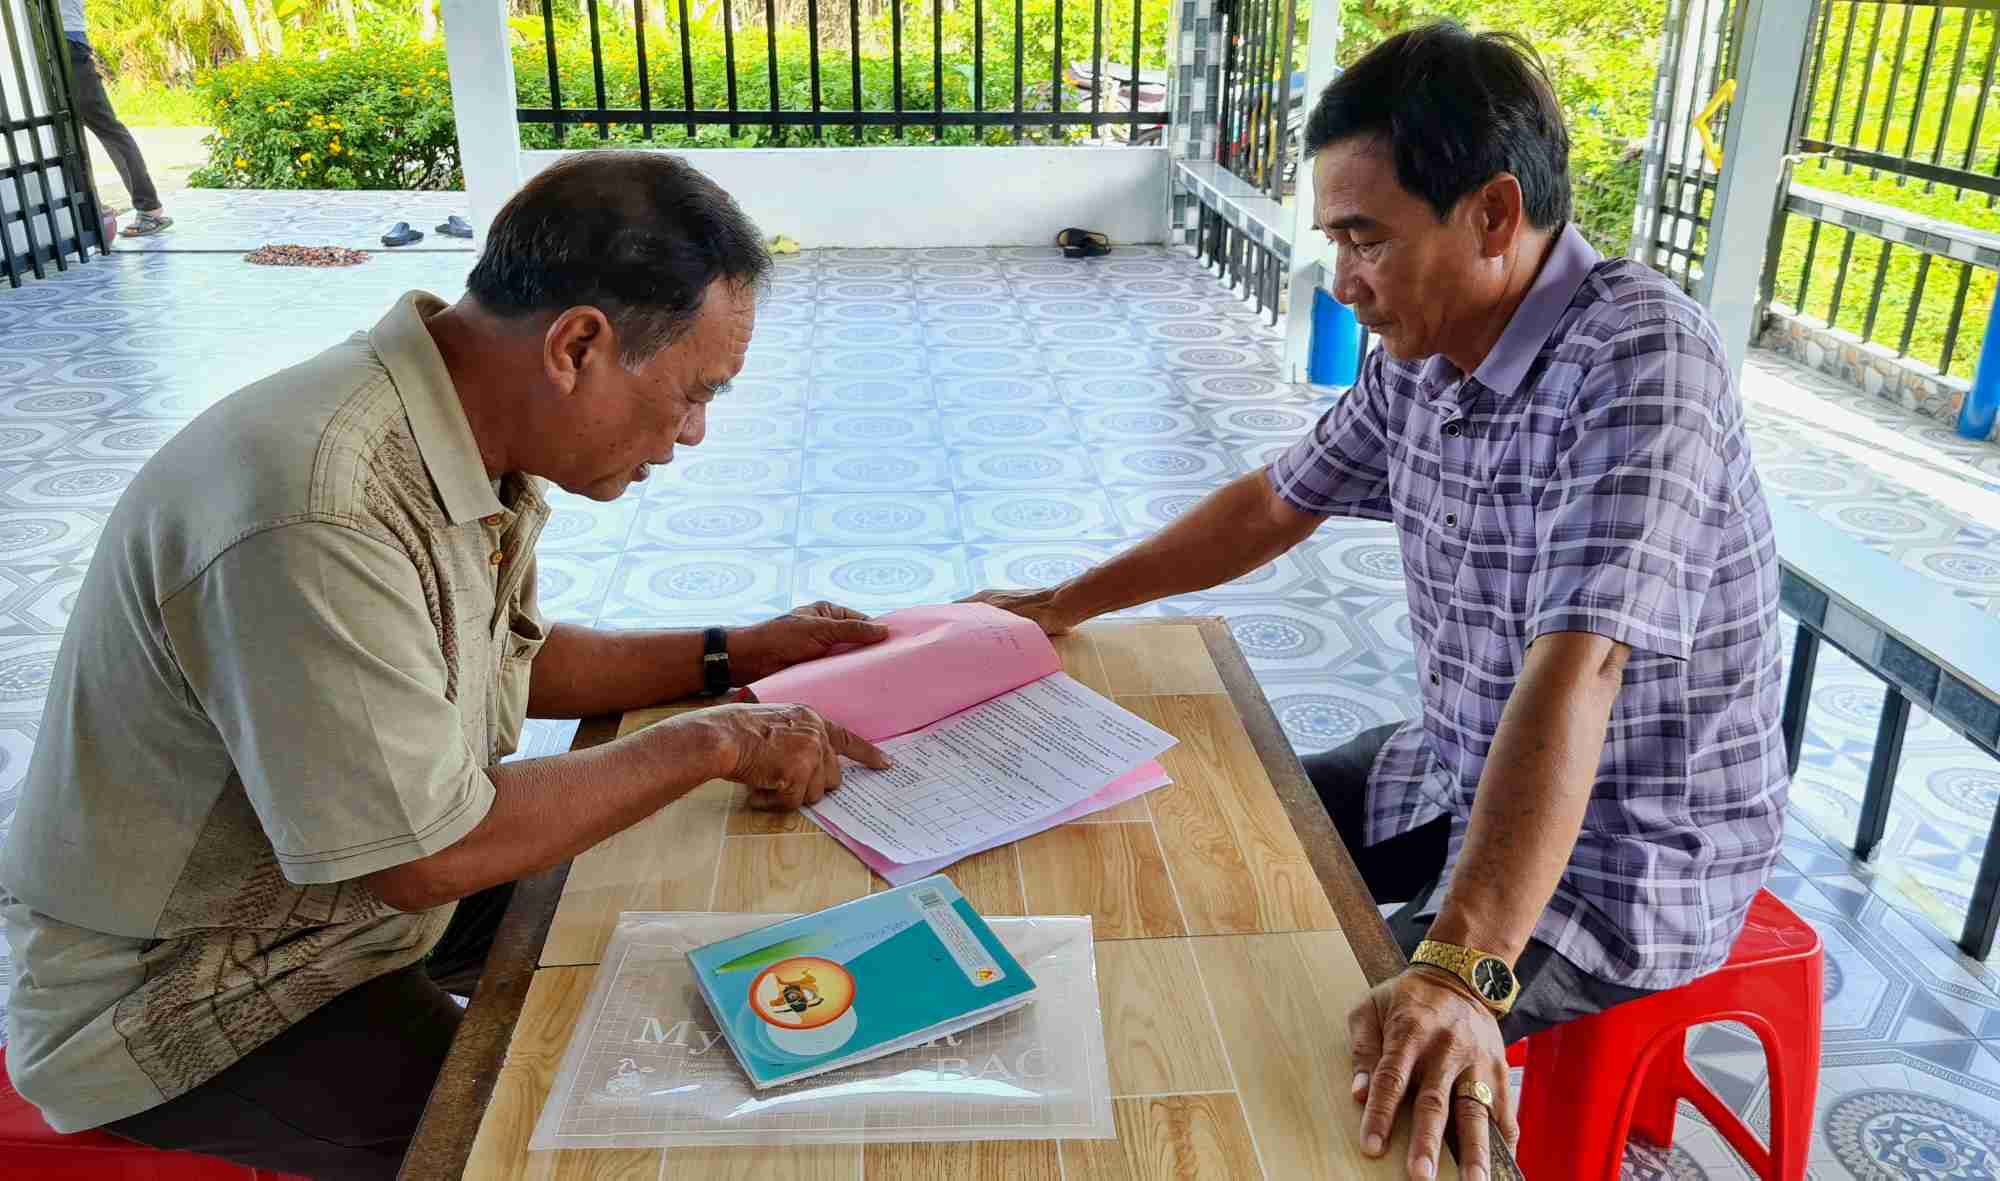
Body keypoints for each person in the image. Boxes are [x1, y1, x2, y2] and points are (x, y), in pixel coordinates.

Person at [972, 22, 1786, 1181]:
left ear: (1493, 216)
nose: (1343, 281)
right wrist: (1058, 602)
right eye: (1335, 240)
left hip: (1625, 848)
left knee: (1339, 1059)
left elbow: (1580, 667)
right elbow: (1276, 499)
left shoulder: (1641, 359)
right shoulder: (1420, 346)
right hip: (1455, 760)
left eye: (1365, 239)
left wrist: (1460, 969)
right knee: (1193, 841)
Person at [0, 151, 890, 1179]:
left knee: (681, 913)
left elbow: (497, 662)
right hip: (204, 992)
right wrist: (716, 736)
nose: (691, 433)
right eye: (693, 393)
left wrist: (734, 651)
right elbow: (428, 851)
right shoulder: (317, 504)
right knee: (576, 1137)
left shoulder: (459, 429)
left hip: (349, 896)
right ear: (578, 346)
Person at [59, 0, 172, 236]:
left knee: (106, 128)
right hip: (53, 45)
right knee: (61, 131)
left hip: (66, 43)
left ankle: (149, 209)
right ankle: (83, 212)